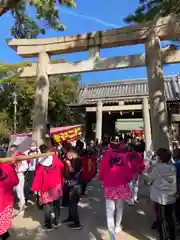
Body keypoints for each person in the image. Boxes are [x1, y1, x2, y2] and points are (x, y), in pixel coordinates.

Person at [99, 142, 133, 240]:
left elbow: (102, 170)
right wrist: (129, 179)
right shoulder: (124, 157)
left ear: (110, 147)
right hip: (121, 184)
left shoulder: (105, 156)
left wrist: (101, 179)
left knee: (109, 209)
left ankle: (111, 232)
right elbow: (128, 170)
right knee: (120, 207)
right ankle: (118, 226)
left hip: (109, 185)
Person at [32, 144, 64, 231]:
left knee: (47, 207)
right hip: (57, 186)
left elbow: (38, 179)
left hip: (46, 189)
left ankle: (48, 225)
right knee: (56, 205)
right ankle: (56, 221)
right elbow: (62, 166)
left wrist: (36, 190)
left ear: (40, 152)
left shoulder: (40, 165)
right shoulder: (55, 159)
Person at [148, 148, 176, 240]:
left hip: (160, 197)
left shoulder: (157, 168)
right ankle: (172, 237)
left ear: (159, 157)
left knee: (162, 219)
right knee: (170, 218)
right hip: (171, 196)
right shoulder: (173, 168)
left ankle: (163, 237)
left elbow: (150, 178)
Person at [62, 146, 82, 230]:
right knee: (70, 203)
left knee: (73, 205)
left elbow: (73, 172)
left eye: (68, 153)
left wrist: (69, 164)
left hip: (76, 186)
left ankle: (77, 224)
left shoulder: (77, 161)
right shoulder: (74, 159)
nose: (67, 155)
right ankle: (70, 217)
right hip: (72, 184)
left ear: (73, 152)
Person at [0, 163, 19, 240]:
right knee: (3, 224)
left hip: (5, 202)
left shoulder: (7, 166)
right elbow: (15, 181)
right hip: (5, 202)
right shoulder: (7, 167)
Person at [9, 144, 28, 214]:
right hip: (13, 176)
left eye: (13, 151)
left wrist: (18, 170)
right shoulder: (11, 157)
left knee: (20, 193)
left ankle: (22, 208)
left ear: (16, 150)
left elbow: (26, 166)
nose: (11, 153)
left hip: (19, 175)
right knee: (16, 192)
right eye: (10, 151)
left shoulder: (21, 156)